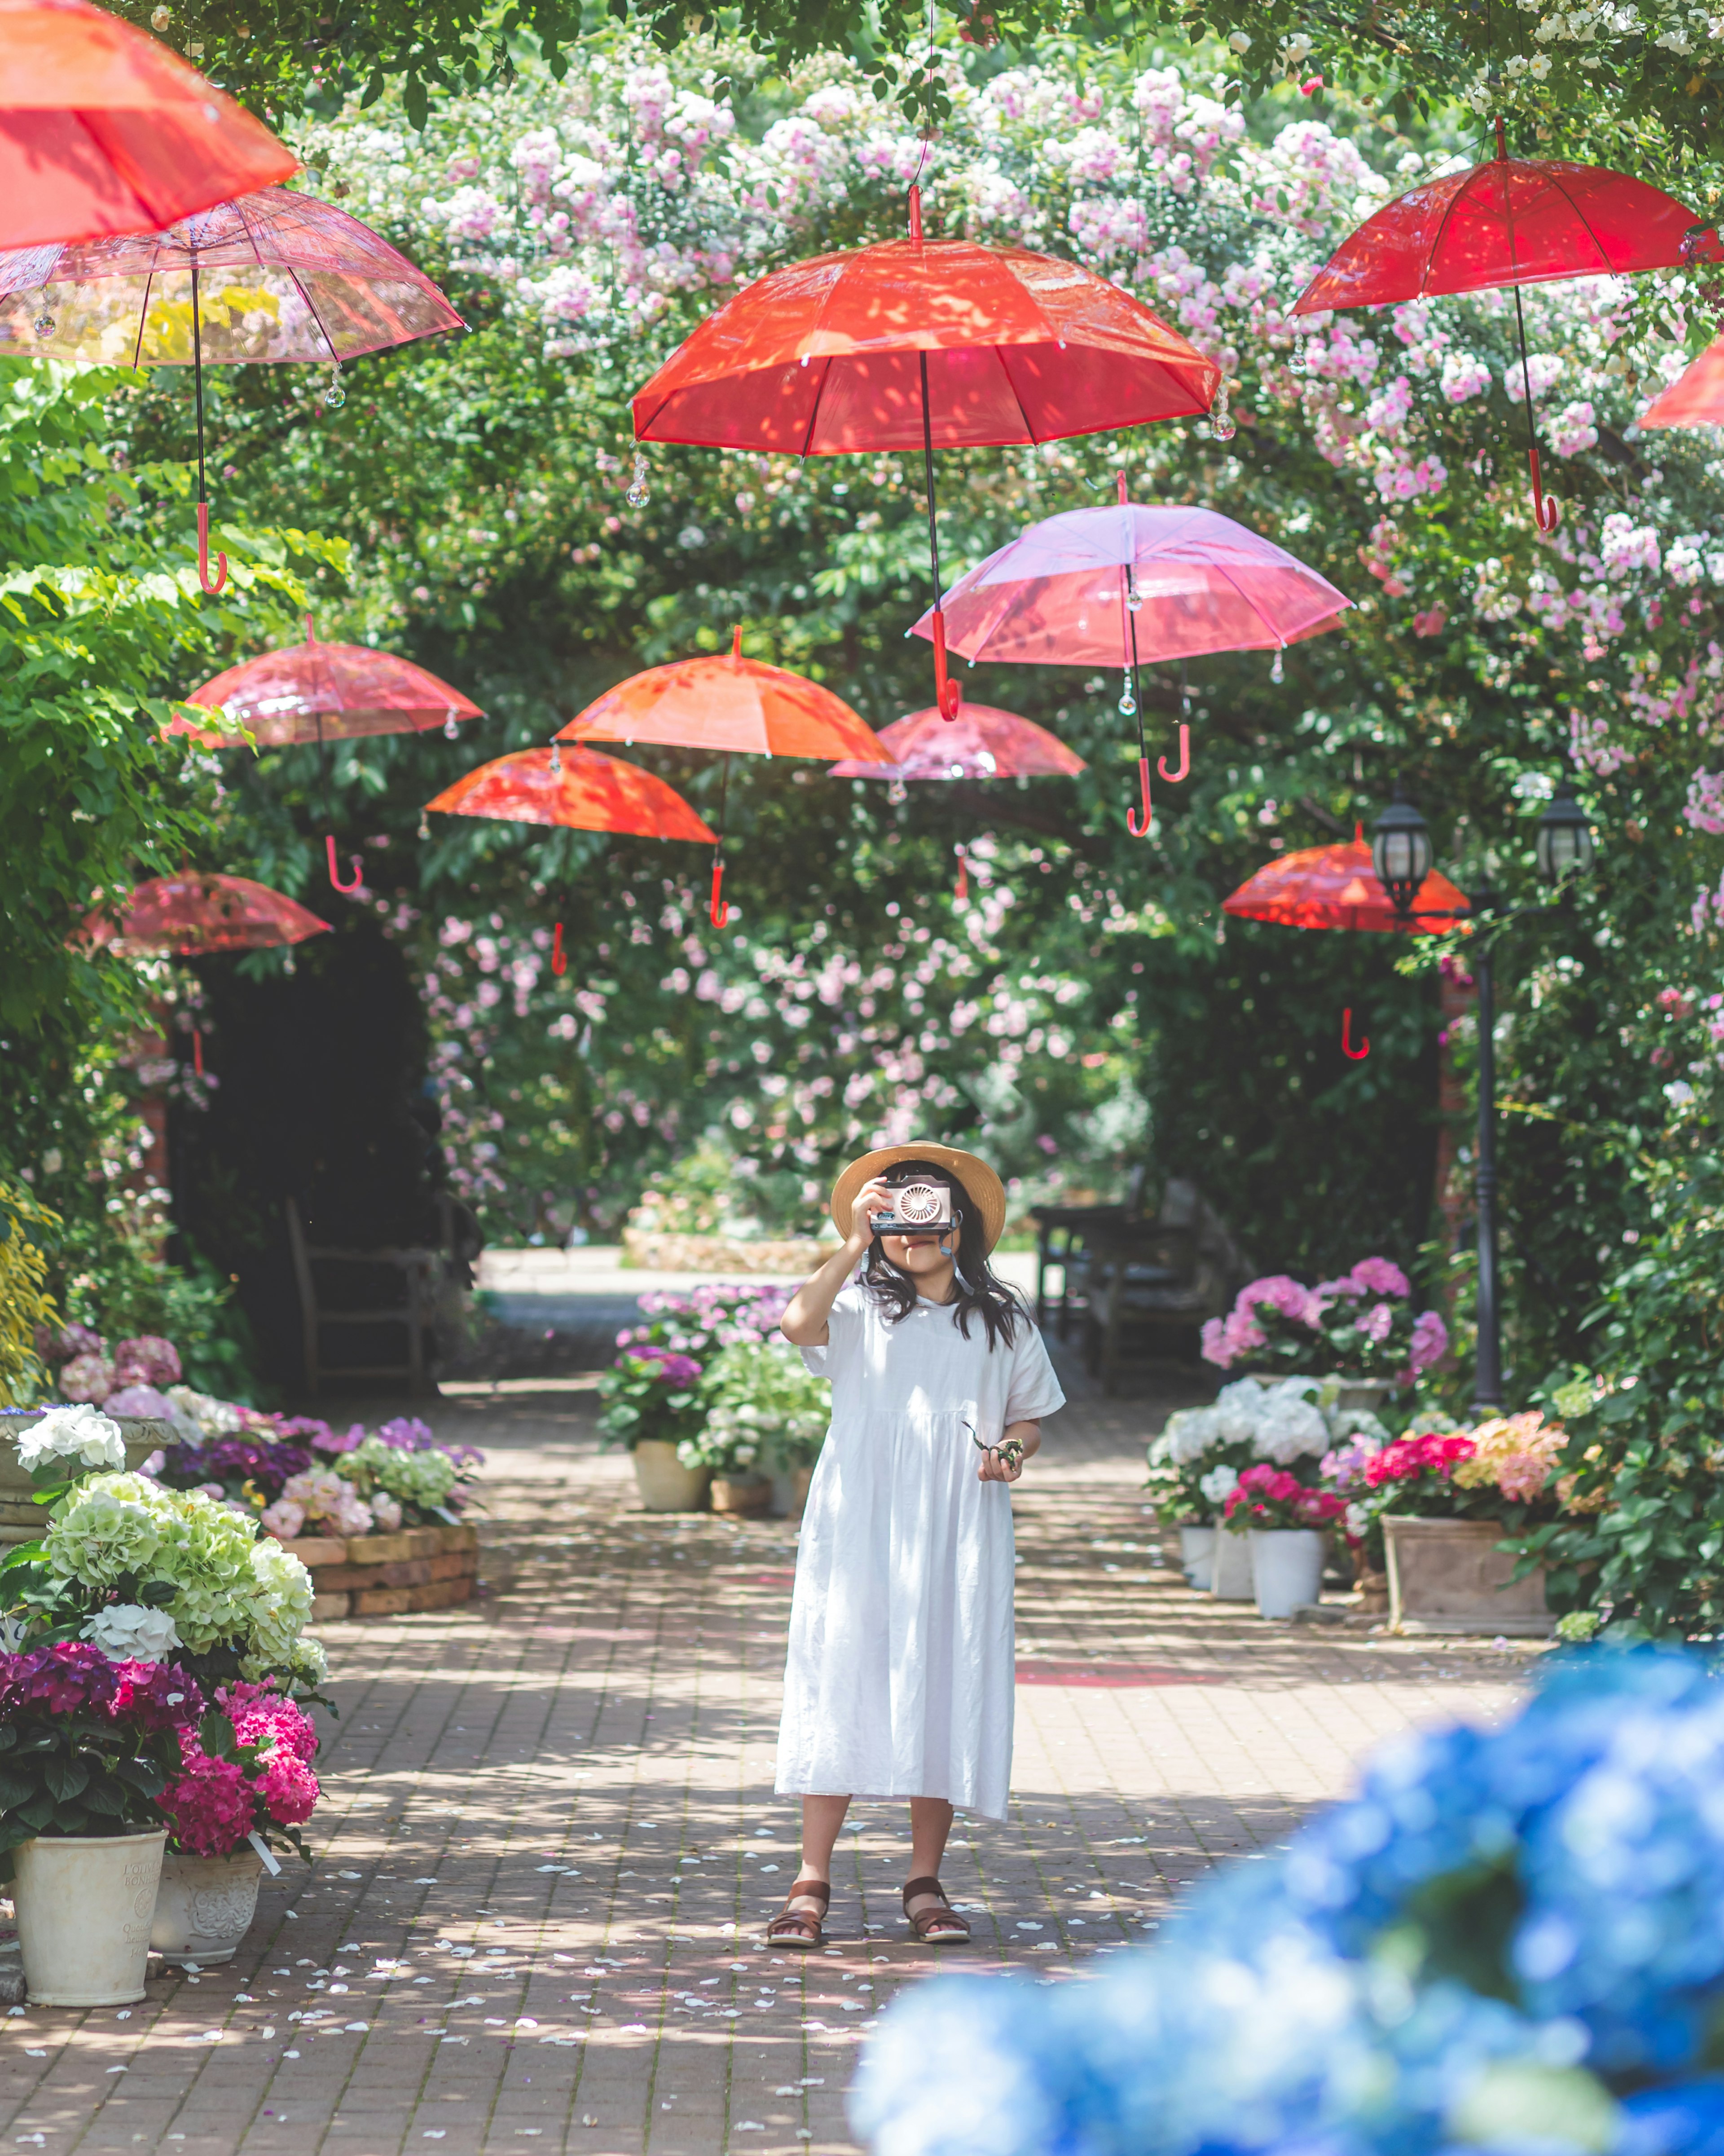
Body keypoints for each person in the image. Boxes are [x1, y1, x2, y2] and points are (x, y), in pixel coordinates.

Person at [767, 1143, 1065, 1948]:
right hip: (862, 1512)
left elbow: (1030, 1415)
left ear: (962, 1228)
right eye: (896, 1215)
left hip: (957, 1516)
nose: (914, 1231)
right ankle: (811, 1877)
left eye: (931, 1213)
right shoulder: (858, 1304)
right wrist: (855, 1242)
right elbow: (796, 1323)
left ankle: (925, 1881)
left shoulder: (1001, 1319)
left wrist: (1014, 1451)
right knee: (843, 1668)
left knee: (941, 1673)